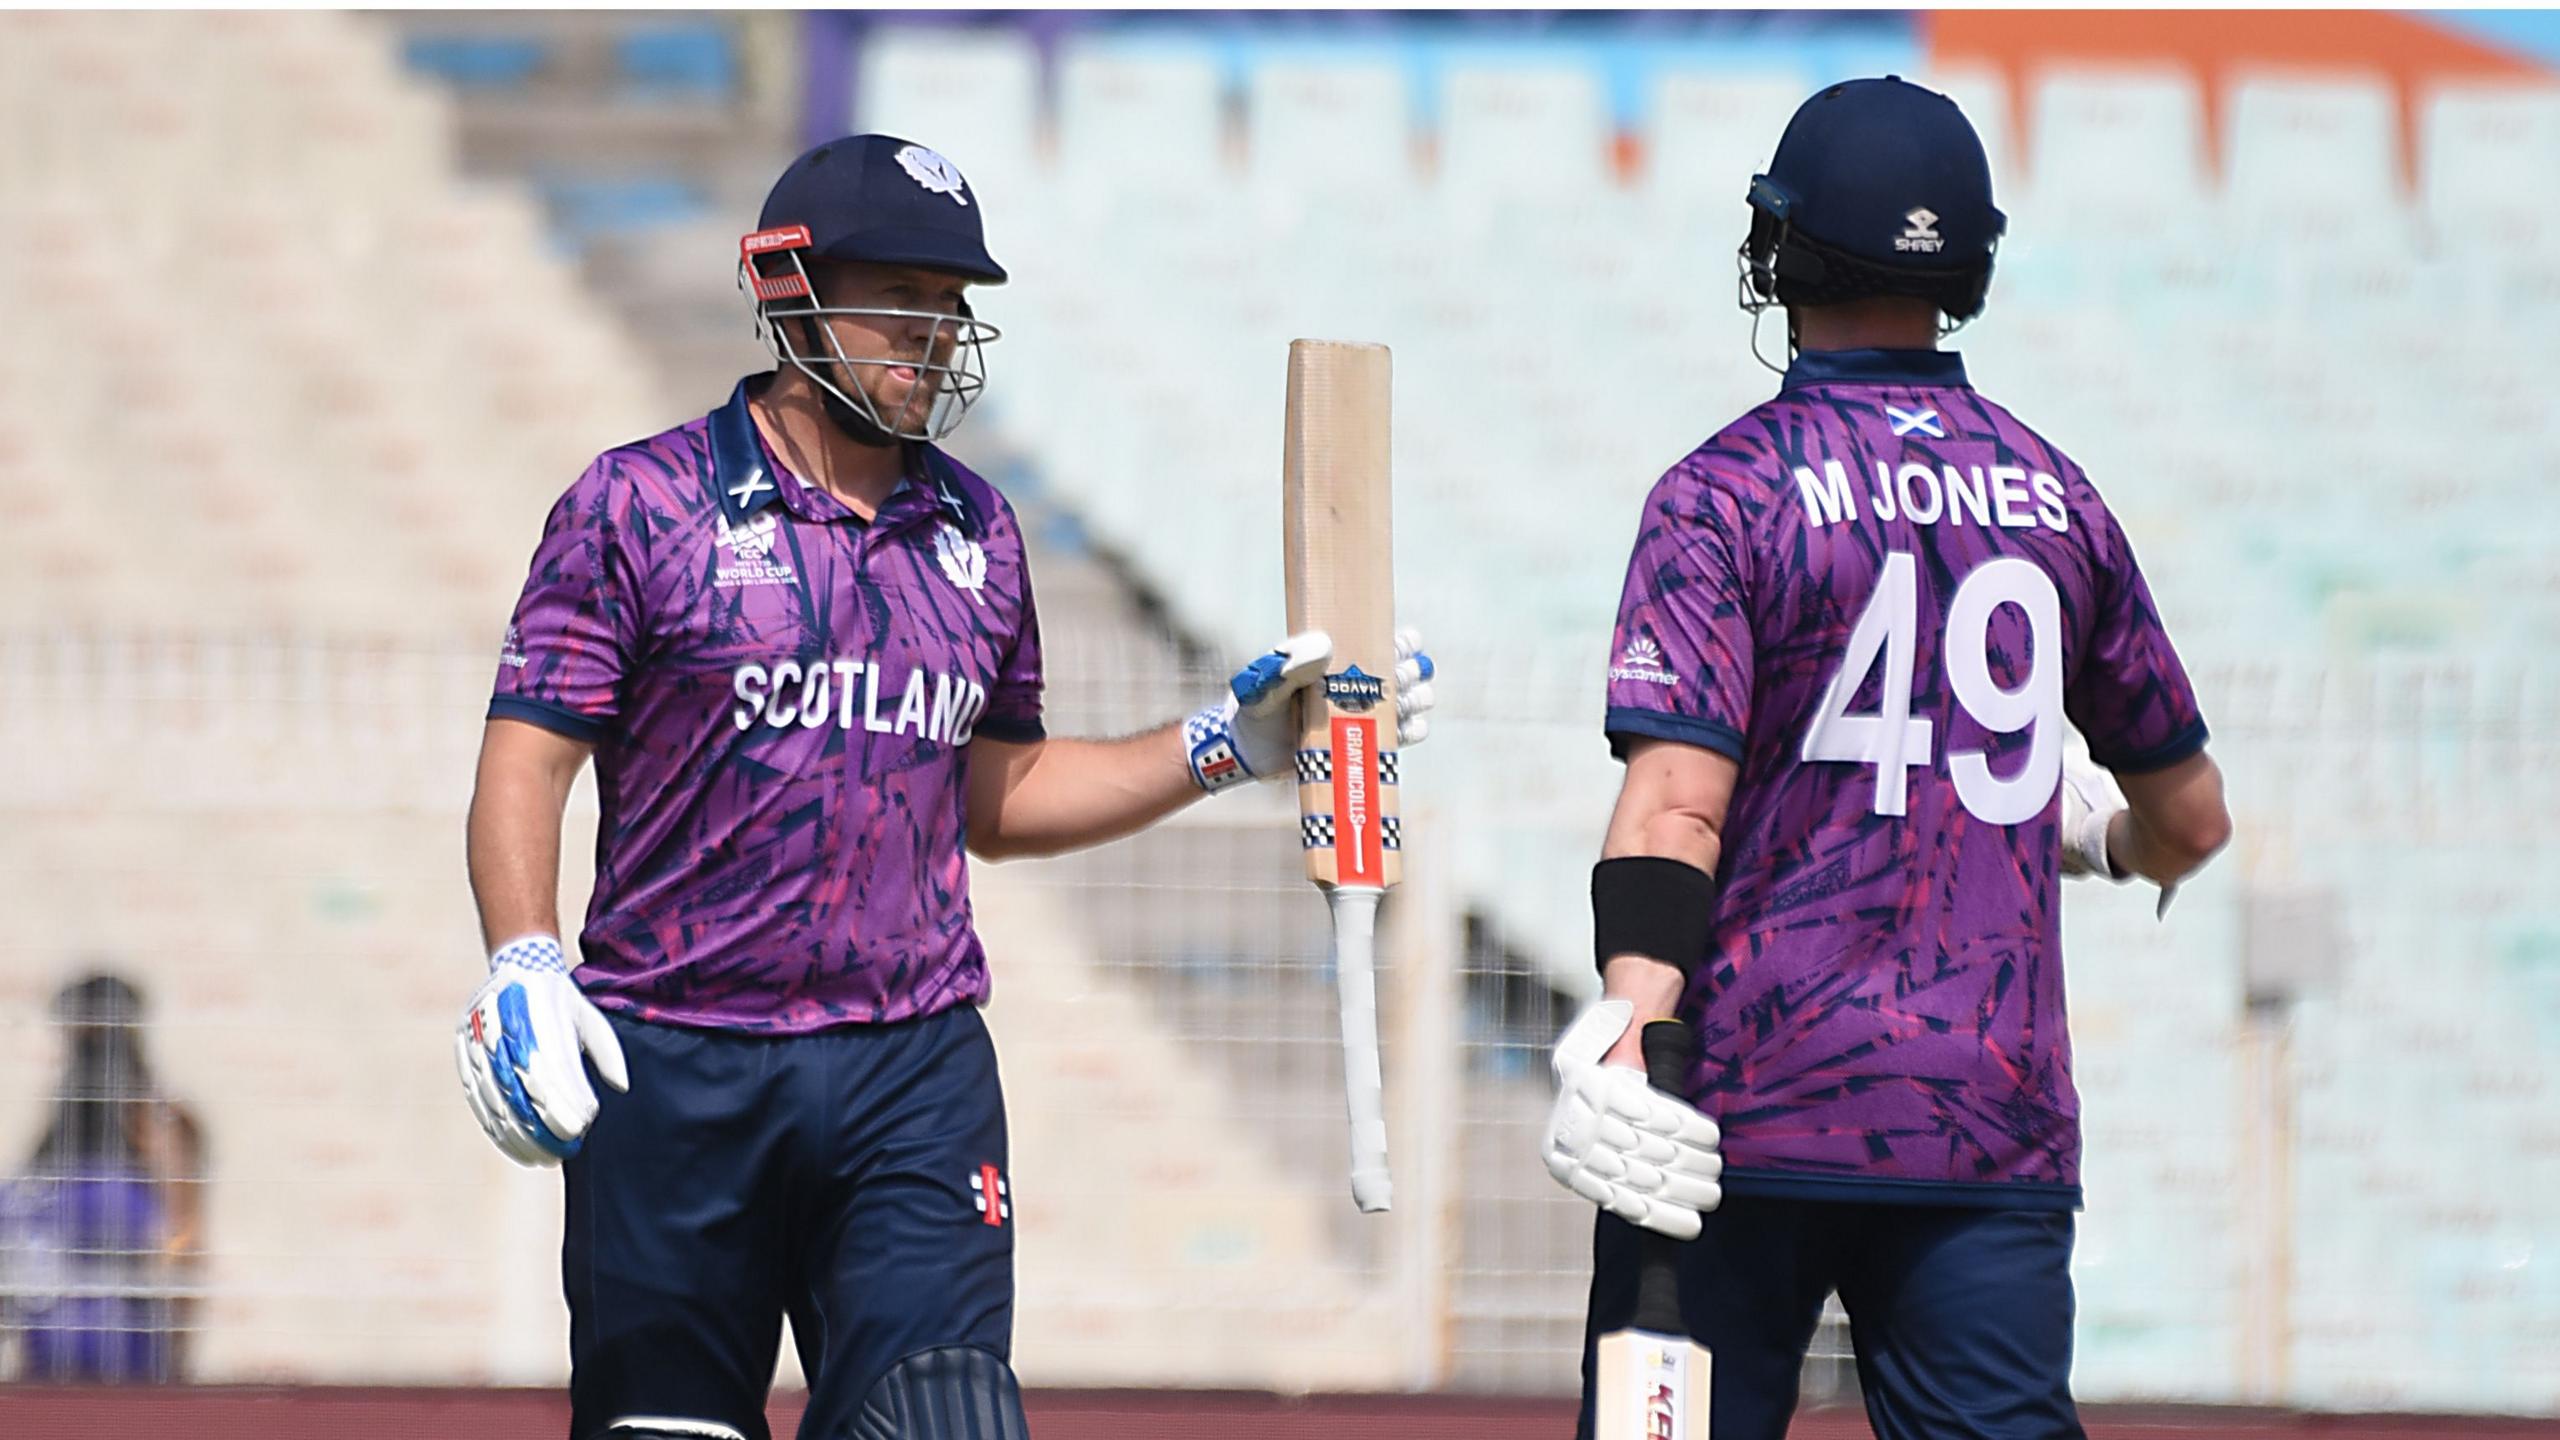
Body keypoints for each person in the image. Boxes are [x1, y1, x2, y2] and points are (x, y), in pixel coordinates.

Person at [453, 133, 1435, 1440]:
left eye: (949, 307)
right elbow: (529, 752)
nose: (932, 336)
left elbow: (996, 795)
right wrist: (522, 956)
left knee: (950, 1424)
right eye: (898, 302)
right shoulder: (639, 505)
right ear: (787, 286)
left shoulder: (976, 531)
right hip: (677, 1060)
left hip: (908, 1071)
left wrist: (1223, 747)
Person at [1541, 78, 2232, 1440]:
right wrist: (2106, 838)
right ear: (1968, 264)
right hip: (1987, 1113)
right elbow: (2194, 817)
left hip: (1736, 1102)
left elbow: (1677, 804)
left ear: (1780, 249)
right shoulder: (2058, 497)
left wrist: (1632, 1018)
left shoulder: (1722, 492)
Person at [3, 972, 206, 1383]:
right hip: (50, 1369)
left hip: (130, 1368)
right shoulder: (48, 1160)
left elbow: (184, 1247)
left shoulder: (159, 1127)